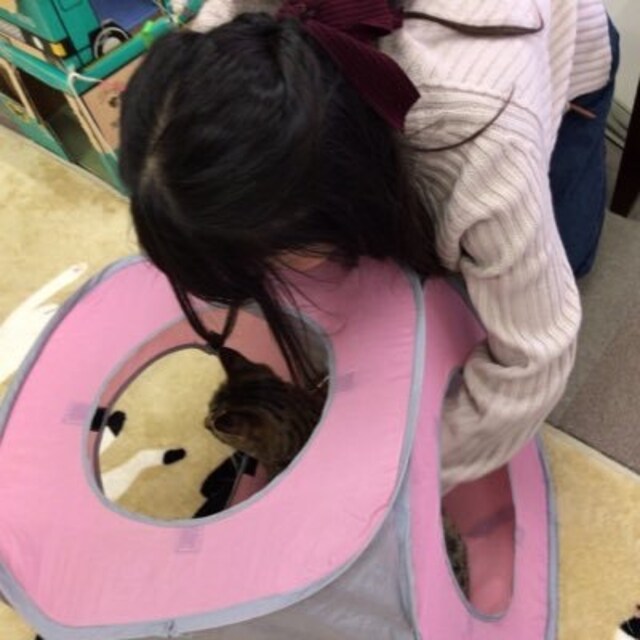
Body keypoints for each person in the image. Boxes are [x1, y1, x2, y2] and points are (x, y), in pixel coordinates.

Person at [119, 0, 616, 499]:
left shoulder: (483, 141)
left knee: (552, 263)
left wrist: (395, 475)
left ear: (336, 199)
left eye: (270, 256)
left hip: (556, 47)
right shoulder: (220, 48)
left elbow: (535, 357)